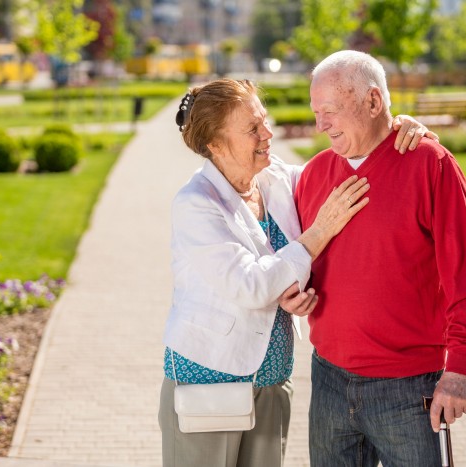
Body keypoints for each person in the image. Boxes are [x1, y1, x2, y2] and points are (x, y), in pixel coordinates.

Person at [158, 78, 432, 467]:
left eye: (264, 121)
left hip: (271, 381)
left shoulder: (276, 179)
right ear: (215, 146)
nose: (268, 134)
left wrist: (393, 129)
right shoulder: (195, 204)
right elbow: (250, 284)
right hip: (209, 378)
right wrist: (319, 231)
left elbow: (347, 169)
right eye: (252, 129)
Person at [294, 50, 466, 466]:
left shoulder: (430, 165)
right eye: (315, 112)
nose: (320, 124)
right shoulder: (312, 174)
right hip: (329, 382)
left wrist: (459, 371)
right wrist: (291, 293)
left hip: (409, 389)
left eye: (330, 110)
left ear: (373, 102)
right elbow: (295, 261)